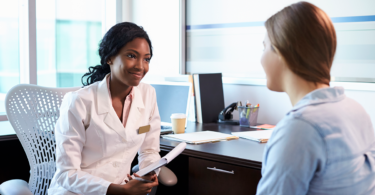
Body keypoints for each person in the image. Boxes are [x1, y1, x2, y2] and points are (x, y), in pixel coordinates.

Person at [256, 2, 375, 194]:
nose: (261, 58)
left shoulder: (299, 128)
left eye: (265, 47)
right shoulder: (356, 111)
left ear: (284, 52)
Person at [48, 22, 160, 195]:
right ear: (110, 58)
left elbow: (149, 150)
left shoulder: (148, 94)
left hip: (122, 189)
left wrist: (149, 171)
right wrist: (118, 191)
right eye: (131, 56)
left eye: (146, 59)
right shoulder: (78, 101)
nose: (140, 66)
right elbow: (66, 174)